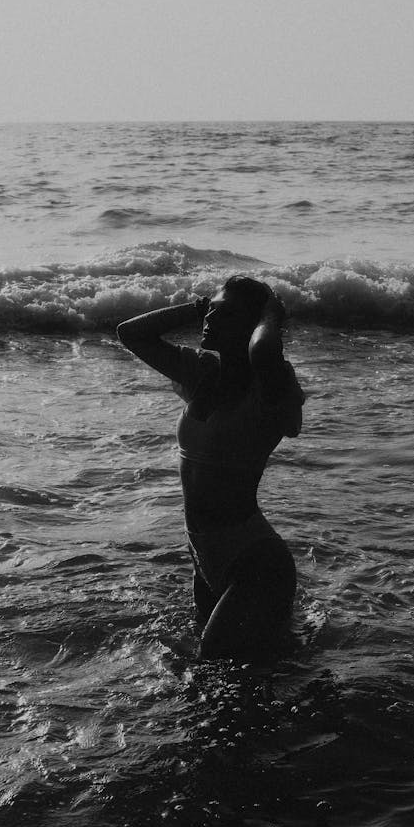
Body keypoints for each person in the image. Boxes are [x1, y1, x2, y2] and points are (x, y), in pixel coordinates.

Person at [117, 276, 305, 661]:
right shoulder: (201, 373)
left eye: (225, 315)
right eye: (210, 313)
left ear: (253, 326)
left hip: (255, 562)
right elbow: (131, 333)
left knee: (215, 670)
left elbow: (264, 351)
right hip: (205, 557)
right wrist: (199, 307)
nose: (210, 321)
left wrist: (271, 314)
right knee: (239, 680)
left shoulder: (270, 384)